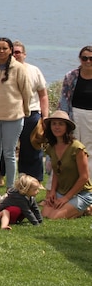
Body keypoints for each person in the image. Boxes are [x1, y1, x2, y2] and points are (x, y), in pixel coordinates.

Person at [0, 37, 30, 188]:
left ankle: (10, 187)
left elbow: (26, 92)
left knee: (9, 153)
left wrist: (26, 110)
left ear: (10, 50)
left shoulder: (19, 68)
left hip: (13, 116)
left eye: (4, 48)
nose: (1, 51)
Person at [40, 111, 92, 219]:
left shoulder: (77, 148)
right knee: (45, 214)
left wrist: (66, 198)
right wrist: (52, 192)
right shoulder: (51, 147)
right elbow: (56, 172)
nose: (57, 127)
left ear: (67, 127)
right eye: (54, 124)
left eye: (60, 124)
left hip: (81, 193)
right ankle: (77, 208)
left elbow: (84, 177)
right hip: (62, 191)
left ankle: (85, 208)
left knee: (55, 217)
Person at [12, 41, 49, 180]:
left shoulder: (34, 71)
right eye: (13, 52)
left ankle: (36, 179)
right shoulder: (4, 71)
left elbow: (43, 95)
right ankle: (6, 177)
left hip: (32, 113)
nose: (15, 55)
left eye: (18, 52)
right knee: (7, 148)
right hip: (10, 114)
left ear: (24, 54)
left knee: (33, 147)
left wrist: (45, 117)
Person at [58, 45, 92, 177]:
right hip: (74, 116)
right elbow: (64, 99)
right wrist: (62, 120)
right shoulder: (71, 76)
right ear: (80, 59)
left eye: (91, 58)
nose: (88, 61)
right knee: (74, 148)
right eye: (84, 58)